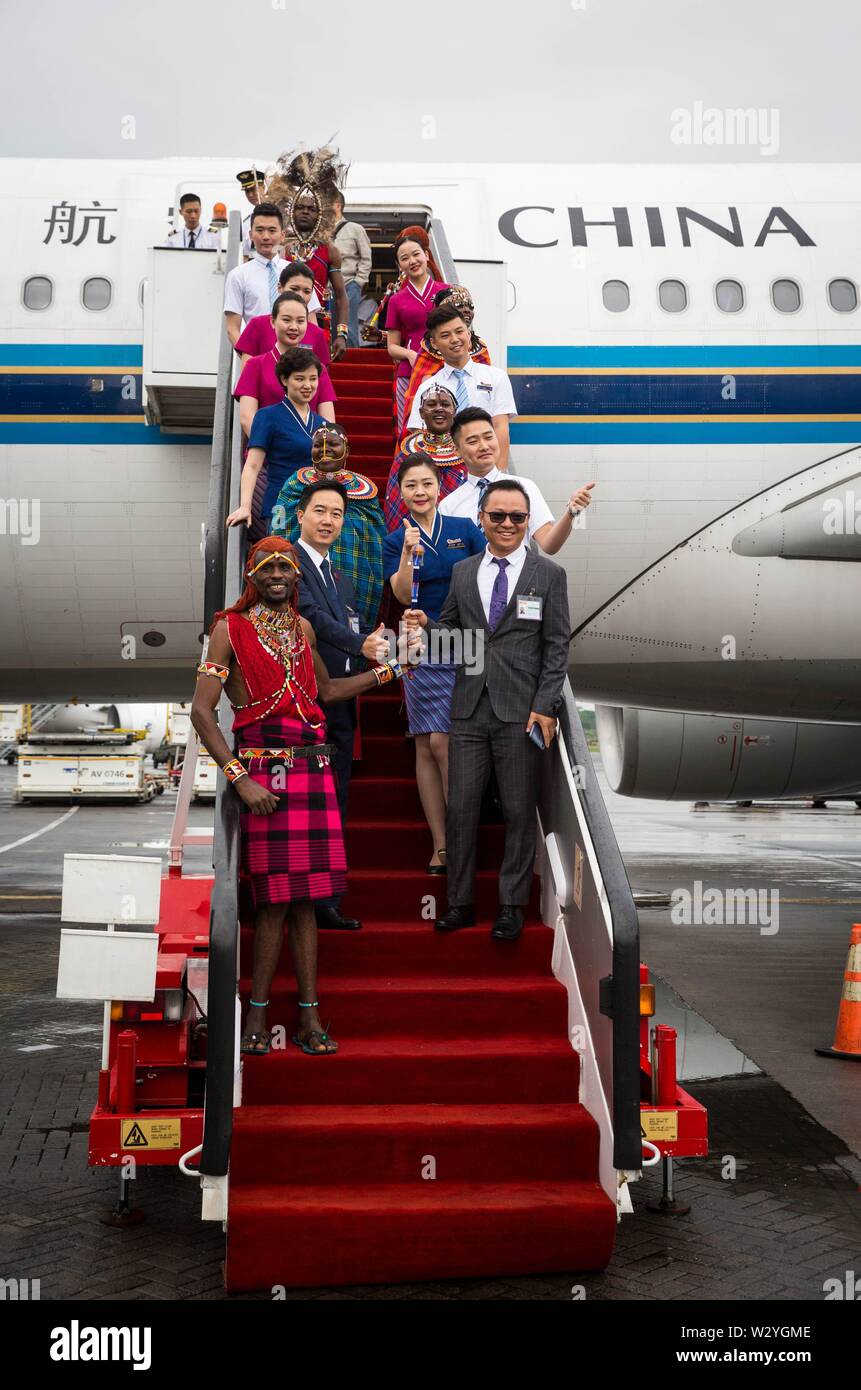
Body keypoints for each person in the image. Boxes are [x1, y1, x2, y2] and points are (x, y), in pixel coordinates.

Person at [190, 535, 405, 1055]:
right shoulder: (227, 629)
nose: (278, 576)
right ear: (252, 576)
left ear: (297, 577)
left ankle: (310, 1021)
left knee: (306, 903)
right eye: (267, 568)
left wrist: (389, 671)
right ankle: (257, 1023)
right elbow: (201, 711)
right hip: (264, 772)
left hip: (313, 769)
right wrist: (240, 779)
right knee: (272, 907)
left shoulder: (304, 627)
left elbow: (327, 694)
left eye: (286, 568)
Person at [405, 481, 570, 939]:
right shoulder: (463, 572)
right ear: (482, 519)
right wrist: (426, 627)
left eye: (517, 517)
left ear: (526, 521)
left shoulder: (549, 575)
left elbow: (556, 648)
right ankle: (459, 902)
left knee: (518, 811)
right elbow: (452, 639)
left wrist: (546, 705)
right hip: (468, 708)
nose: (508, 525)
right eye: (498, 516)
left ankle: (510, 905)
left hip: (522, 712)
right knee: (461, 808)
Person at [293, 477, 391, 930]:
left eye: (336, 513)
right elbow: (309, 617)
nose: (328, 520)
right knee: (306, 807)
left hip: (339, 703)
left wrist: (376, 652)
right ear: (300, 515)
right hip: (301, 704)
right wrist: (361, 643)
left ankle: (327, 898)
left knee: (337, 804)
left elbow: (349, 636)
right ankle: (301, 897)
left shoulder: (340, 577)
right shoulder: (288, 562)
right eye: (320, 511)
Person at [383, 454, 484, 873]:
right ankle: (441, 845)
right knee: (427, 743)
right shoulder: (394, 539)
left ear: (439, 487)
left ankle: (460, 837)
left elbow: (486, 578)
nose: (420, 492)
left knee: (443, 742)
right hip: (418, 643)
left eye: (427, 483)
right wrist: (407, 554)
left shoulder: (464, 530)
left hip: (463, 640)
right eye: (411, 486)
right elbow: (403, 595)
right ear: (401, 493)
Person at [270, 423, 386, 627]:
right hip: (305, 571)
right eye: (318, 446)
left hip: (355, 574)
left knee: (353, 626)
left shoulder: (364, 491)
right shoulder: (294, 484)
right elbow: (278, 526)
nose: (325, 450)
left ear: (347, 450)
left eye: (333, 444)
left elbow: (376, 539)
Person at [441, 407, 595, 553]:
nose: (484, 446)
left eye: (489, 437)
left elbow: (549, 545)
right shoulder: (449, 506)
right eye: (473, 441)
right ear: (457, 450)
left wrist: (570, 513)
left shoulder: (525, 488)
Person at [226, 346, 325, 534]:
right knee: (282, 560)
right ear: (284, 380)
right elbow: (253, 465)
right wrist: (245, 506)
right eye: (299, 378)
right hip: (281, 505)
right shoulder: (267, 416)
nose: (308, 385)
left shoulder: (323, 424)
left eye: (313, 379)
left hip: (317, 508)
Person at [266, 147, 351, 360]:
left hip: (317, 325)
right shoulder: (281, 247)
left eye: (311, 209)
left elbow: (341, 296)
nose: (305, 211)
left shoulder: (329, 250)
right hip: (282, 325)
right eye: (300, 207)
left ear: (320, 213)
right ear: (292, 210)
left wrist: (341, 334)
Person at [405, 305, 517, 465]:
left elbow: (500, 428)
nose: (455, 339)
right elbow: (419, 436)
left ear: (469, 334)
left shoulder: (496, 377)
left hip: (486, 465)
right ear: (434, 343)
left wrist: (498, 477)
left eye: (459, 331)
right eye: (445, 335)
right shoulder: (427, 388)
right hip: (445, 471)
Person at [234, 293, 337, 438]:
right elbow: (247, 418)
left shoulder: (318, 369)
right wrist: (269, 447)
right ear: (272, 322)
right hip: (268, 455)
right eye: (286, 320)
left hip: (308, 455)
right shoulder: (255, 365)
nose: (294, 327)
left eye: (300, 321)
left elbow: (328, 422)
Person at [400, 285, 490, 437]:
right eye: (460, 306)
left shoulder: (481, 348)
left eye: (470, 306)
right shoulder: (428, 350)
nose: (467, 310)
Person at [385, 234, 449, 432]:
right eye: (404, 258)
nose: (412, 261)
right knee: (410, 428)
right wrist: (411, 355)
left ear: (427, 255)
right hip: (410, 372)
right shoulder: (396, 300)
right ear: (399, 265)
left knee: (446, 425)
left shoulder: (446, 291)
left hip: (445, 369)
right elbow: (392, 347)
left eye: (416, 254)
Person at [383, 384, 467, 529]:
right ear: (421, 413)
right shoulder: (406, 454)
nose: (439, 408)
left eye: (446, 404)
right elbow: (395, 502)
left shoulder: (467, 452)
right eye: (431, 404)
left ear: (454, 411)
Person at [223, 204, 290, 347]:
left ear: (283, 235)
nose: (266, 236)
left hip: (294, 360)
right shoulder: (238, 275)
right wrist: (249, 359)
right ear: (251, 234)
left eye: (272, 231)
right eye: (259, 230)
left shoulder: (296, 271)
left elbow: (310, 321)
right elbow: (232, 328)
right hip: (256, 355)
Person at [233, 262, 324, 362]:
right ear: (280, 287)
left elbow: (321, 375)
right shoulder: (257, 325)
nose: (300, 295)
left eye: (306, 291)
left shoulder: (317, 334)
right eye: (294, 289)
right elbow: (247, 373)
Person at [331, 191, 372, 348]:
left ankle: (351, 363)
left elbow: (366, 257)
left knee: (348, 327)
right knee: (330, 328)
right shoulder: (321, 232)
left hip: (348, 283)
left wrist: (358, 282)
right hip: (328, 287)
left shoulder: (355, 229)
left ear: (337, 205)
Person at [236, 167, 267, 254]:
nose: (250, 195)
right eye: (247, 191)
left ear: (263, 188)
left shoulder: (278, 215)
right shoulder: (246, 223)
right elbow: (245, 254)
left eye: (253, 189)